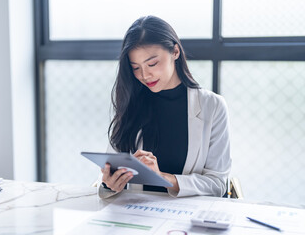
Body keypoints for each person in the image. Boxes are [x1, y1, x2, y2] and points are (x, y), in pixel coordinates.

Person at [98, 15, 231, 199]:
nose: (144, 75)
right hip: (138, 217)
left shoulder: (212, 106)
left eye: (152, 63)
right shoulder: (131, 102)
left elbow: (217, 184)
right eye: (135, 67)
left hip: (188, 219)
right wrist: (109, 184)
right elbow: (108, 175)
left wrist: (163, 178)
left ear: (175, 52)